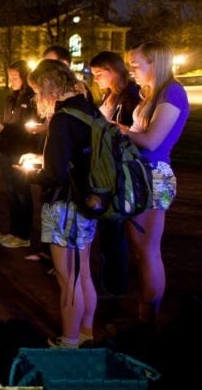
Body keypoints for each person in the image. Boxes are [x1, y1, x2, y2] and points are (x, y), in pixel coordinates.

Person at [25, 59, 98, 348]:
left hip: (64, 205)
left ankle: (68, 342)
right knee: (84, 272)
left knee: (68, 279)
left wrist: (31, 173)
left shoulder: (63, 118)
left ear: (48, 85)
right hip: (88, 201)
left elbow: (54, 174)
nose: (36, 97)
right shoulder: (89, 109)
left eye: (36, 89)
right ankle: (86, 333)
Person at [120, 41, 189, 329]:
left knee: (148, 252)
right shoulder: (153, 94)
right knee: (141, 252)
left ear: (155, 63)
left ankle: (149, 321)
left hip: (153, 177)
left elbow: (151, 141)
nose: (131, 71)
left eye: (136, 65)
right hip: (141, 175)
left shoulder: (172, 92)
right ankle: (144, 314)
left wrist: (118, 130)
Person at [89, 51, 141, 298]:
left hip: (118, 172)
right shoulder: (109, 96)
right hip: (105, 168)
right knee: (108, 230)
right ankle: (109, 281)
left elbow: (133, 133)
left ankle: (115, 287)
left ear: (114, 70)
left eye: (100, 73)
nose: (96, 78)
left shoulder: (129, 97)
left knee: (115, 228)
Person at [0, 60, 40, 249]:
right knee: (11, 192)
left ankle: (24, 235)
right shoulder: (11, 98)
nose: (11, 80)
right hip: (6, 148)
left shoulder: (31, 99)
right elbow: (8, 123)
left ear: (25, 77)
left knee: (22, 192)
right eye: (10, 77)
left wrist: (4, 128)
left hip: (21, 150)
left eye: (15, 77)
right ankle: (13, 232)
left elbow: (27, 128)